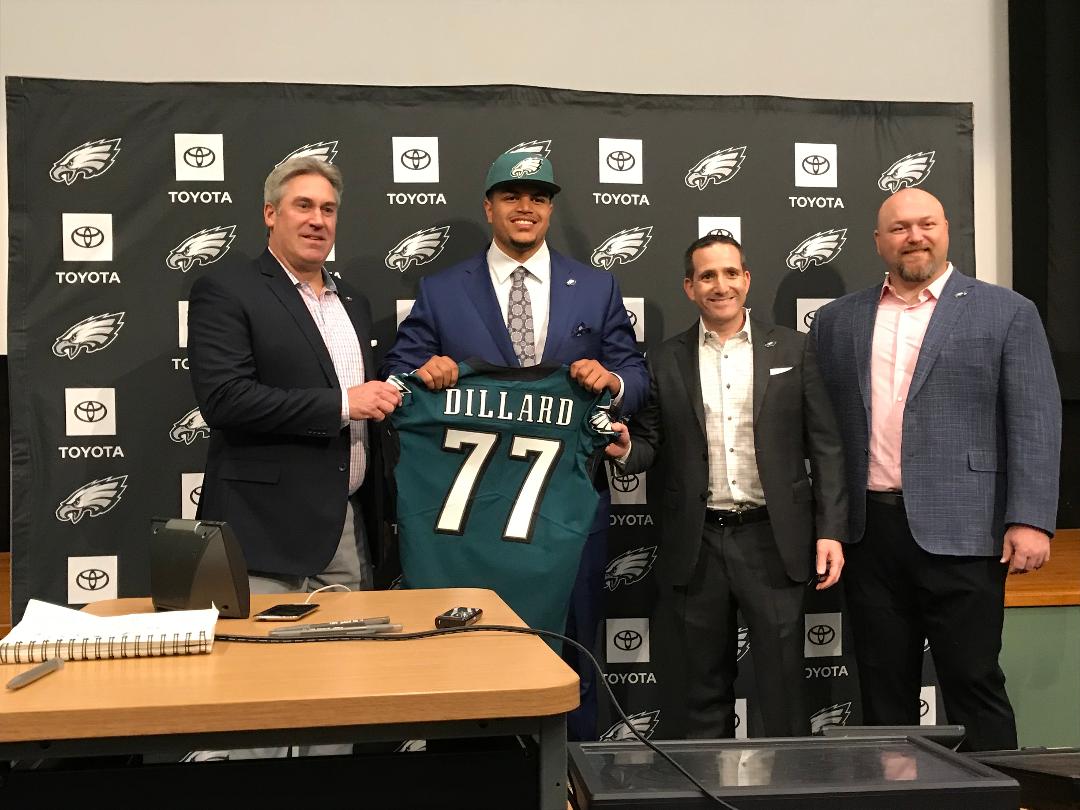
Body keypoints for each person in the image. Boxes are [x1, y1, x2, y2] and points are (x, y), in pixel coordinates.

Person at [382, 151, 648, 740]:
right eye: (511, 195)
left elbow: (634, 371)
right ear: (489, 205)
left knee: (569, 653)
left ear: (550, 207)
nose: (525, 207)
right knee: (467, 660)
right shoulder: (443, 288)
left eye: (539, 196)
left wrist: (613, 383)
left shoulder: (597, 286)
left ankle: (574, 785)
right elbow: (400, 374)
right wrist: (426, 369)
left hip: (562, 511)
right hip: (469, 520)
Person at [810, 188, 1061, 752]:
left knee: (973, 682)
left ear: (947, 231)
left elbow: (1036, 422)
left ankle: (998, 793)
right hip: (870, 534)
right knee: (882, 688)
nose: (914, 237)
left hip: (968, 533)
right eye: (899, 228)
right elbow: (821, 431)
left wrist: (1031, 519)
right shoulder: (836, 322)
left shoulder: (1007, 312)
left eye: (925, 225)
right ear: (879, 241)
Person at [606, 232, 847, 738]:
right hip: (696, 544)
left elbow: (825, 446)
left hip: (774, 540)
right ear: (689, 287)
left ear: (747, 280)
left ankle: (785, 797)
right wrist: (627, 449)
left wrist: (831, 531)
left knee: (782, 692)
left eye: (730, 273)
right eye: (708, 276)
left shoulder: (795, 349)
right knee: (697, 691)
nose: (721, 285)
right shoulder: (663, 360)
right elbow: (650, 446)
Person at [188, 157, 402, 596]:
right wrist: (345, 404)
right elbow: (225, 399)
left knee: (349, 664)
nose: (317, 220)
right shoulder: (227, 290)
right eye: (303, 206)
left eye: (328, 209)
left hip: (345, 530)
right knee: (262, 665)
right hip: (264, 534)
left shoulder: (354, 301)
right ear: (270, 214)